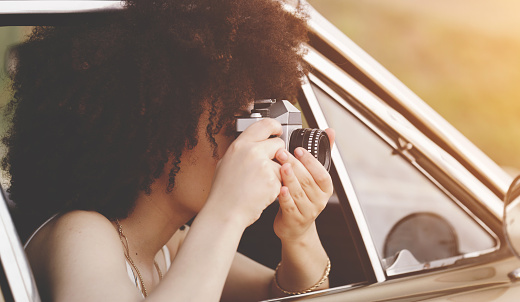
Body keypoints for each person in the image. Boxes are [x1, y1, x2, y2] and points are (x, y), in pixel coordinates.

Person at [1, 0, 335, 301]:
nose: (248, 142)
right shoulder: (81, 233)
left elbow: (282, 294)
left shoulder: (170, 246)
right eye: (232, 120)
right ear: (158, 127)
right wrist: (226, 212)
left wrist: (299, 235)